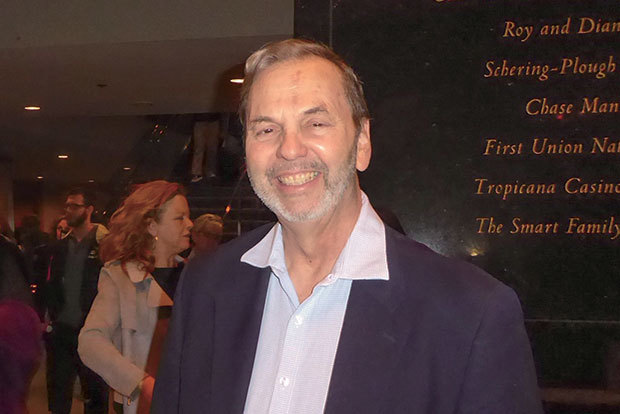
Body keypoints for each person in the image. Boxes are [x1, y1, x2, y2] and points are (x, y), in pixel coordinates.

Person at [152, 39, 543, 413]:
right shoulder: (206, 286)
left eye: (316, 123)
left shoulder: (470, 312)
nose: (290, 149)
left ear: (362, 143)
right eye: (267, 129)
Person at [78, 180, 193, 414]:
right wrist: (141, 382)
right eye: (179, 218)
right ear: (152, 227)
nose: (190, 224)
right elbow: (90, 341)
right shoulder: (120, 278)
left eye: (188, 217)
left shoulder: (198, 275)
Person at [45, 188, 109, 414]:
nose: (68, 210)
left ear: (89, 209)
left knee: (95, 393)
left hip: (93, 330)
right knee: (59, 393)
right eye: (67, 206)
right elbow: (49, 282)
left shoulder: (104, 246)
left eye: (74, 206)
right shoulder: (59, 246)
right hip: (62, 330)